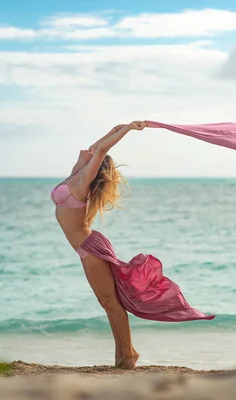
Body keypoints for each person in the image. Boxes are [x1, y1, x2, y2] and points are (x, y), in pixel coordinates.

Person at [51, 121, 147, 370]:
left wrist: (127, 131)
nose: (89, 150)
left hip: (91, 247)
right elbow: (97, 147)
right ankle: (122, 354)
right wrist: (115, 128)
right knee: (106, 302)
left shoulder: (83, 179)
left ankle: (129, 353)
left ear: (94, 167)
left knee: (111, 301)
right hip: (86, 248)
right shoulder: (75, 173)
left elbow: (101, 150)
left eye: (93, 153)